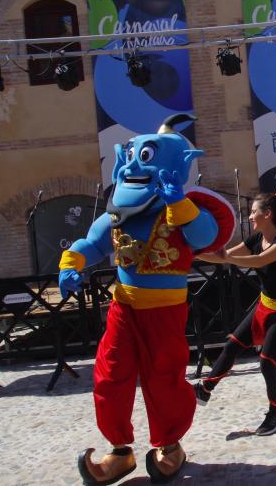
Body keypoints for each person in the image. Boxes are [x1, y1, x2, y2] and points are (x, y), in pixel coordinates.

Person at [58, 115, 235, 485]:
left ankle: (170, 445)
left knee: (164, 378)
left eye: (146, 158)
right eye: (132, 158)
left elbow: (204, 236)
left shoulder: (182, 210)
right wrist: (70, 265)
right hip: (123, 308)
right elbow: (92, 242)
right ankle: (120, 452)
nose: (136, 167)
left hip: (165, 312)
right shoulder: (119, 212)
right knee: (110, 374)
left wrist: (178, 202)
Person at [193, 181, 276, 436]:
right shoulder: (256, 238)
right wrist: (193, 254)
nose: (250, 216)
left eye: (253, 212)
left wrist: (226, 257)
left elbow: (256, 261)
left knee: (267, 362)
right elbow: (224, 255)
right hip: (264, 305)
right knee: (232, 345)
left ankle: (275, 413)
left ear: (267, 215)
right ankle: (205, 389)